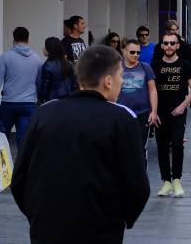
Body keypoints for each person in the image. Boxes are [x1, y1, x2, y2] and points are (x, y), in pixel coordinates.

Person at [12, 45, 149, 244]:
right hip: (101, 229)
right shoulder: (121, 119)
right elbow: (137, 184)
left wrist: (36, 214)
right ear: (108, 81)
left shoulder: (45, 114)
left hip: (47, 227)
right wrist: (120, 218)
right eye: (121, 76)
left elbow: (19, 177)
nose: (122, 81)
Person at [154, 33, 191, 198]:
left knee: (178, 143)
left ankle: (177, 179)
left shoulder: (185, 64)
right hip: (160, 112)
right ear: (162, 46)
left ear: (177, 45)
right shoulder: (155, 65)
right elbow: (151, 90)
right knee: (162, 146)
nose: (169, 46)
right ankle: (166, 181)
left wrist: (183, 106)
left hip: (179, 112)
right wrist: (153, 111)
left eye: (172, 43)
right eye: (166, 43)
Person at [0, 26, 43, 156]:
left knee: (0, 141)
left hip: (8, 104)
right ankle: (22, 168)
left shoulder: (5, 57)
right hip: (29, 105)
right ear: (28, 39)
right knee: (24, 145)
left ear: (13, 39)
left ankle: (1, 167)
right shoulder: (37, 59)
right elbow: (39, 84)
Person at [117, 39, 159, 157]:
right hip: (122, 114)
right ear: (124, 51)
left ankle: (140, 168)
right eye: (132, 52)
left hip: (142, 114)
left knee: (140, 148)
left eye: (138, 52)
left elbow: (153, 90)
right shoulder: (116, 68)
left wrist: (154, 112)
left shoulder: (145, 67)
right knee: (123, 148)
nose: (136, 55)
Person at [36, 37, 76, 103]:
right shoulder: (67, 63)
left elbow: (44, 88)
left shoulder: (48, 66)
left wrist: (41, 98)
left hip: (52, 100)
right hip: (67, 98)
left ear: (50, 49)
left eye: (45, 47)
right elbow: (73, 83)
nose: (43, 49)